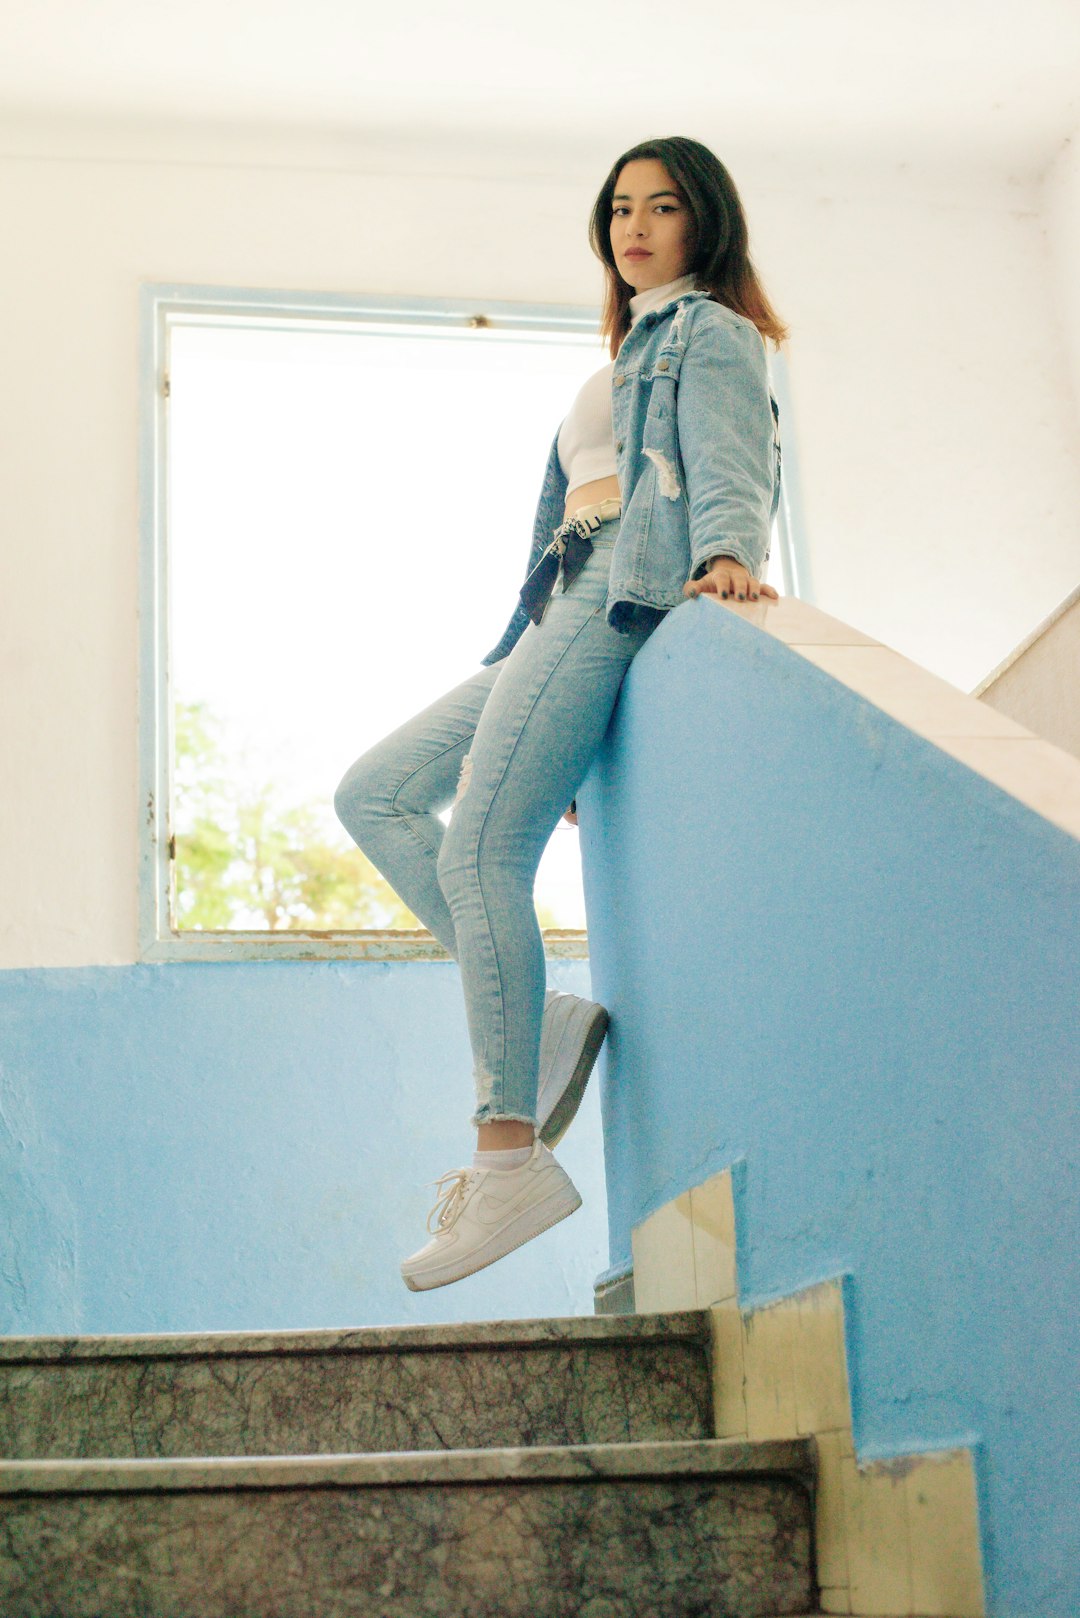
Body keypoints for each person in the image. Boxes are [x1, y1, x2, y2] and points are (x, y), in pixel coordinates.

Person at [334, 135, 787, 1292]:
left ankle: (507, 1154)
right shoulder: (620, 351)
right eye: (620, 208)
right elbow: (555, 524)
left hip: (618, 591)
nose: (635, 226)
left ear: (707, 225)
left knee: (487, 849)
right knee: (373, 792)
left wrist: (730, 550)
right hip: (554, 606)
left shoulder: (710, 333)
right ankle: (538, 1026)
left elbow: (730, 454)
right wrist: (527, 676)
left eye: (664, 207)